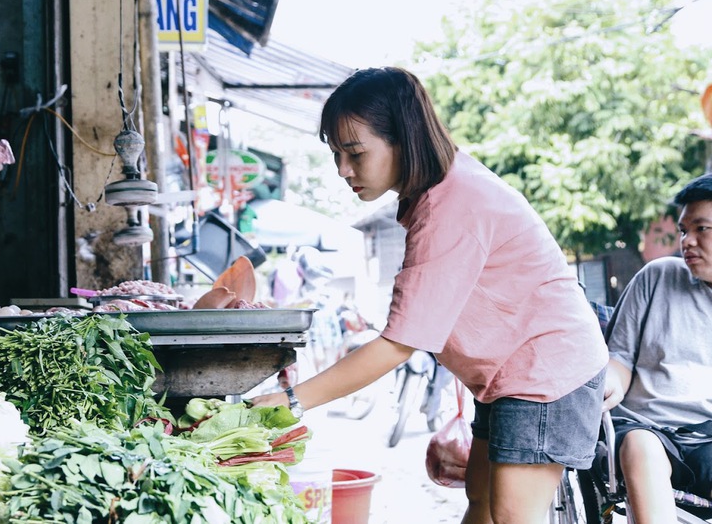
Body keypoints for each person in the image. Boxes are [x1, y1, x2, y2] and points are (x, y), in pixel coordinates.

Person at [251, 67, 608, 524]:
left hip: (546, 373)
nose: (343, 170)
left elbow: (400, 342)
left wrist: (292, 402)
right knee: (480, 501)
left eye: (355, 153)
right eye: (337, 154)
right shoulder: (436, 192)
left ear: (402, 138)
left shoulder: (452, 202)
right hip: (509, 377)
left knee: (512, 516)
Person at [602, 174, 712, 524]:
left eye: (701, 229)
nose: (687, 241)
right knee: (642, 447)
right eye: (683, 230)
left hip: (706, 437)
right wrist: (608, 385)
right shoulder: (658, 277)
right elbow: (619, 359)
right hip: (646, 428)